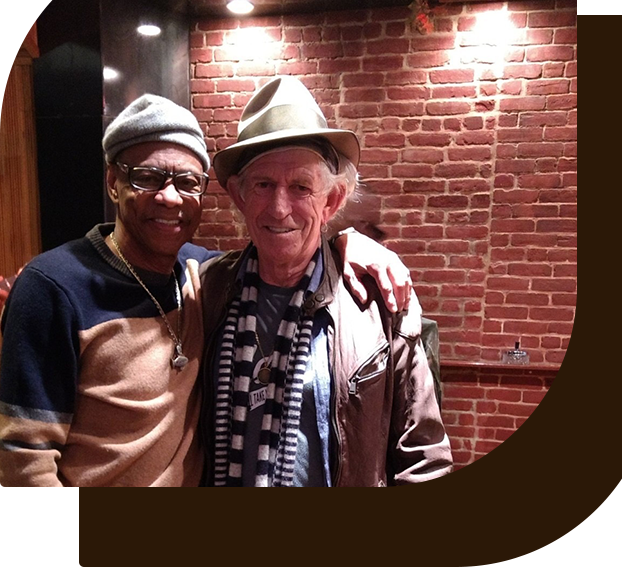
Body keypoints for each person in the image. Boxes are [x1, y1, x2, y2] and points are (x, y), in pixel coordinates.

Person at [0, 93, 412, 487]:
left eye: (187, 182)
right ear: (112, 182)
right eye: (146, 177)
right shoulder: (55, 286)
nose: (168, 197)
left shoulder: (202, 276)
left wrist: (349, 242)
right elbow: (23, 462)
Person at [198, 76, 452, 487]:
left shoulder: (379, 300)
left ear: (332, 200)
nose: (280, 208)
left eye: (300, 187)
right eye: (263, 185)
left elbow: (423, 457)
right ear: (239, 196)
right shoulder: (206, 291)